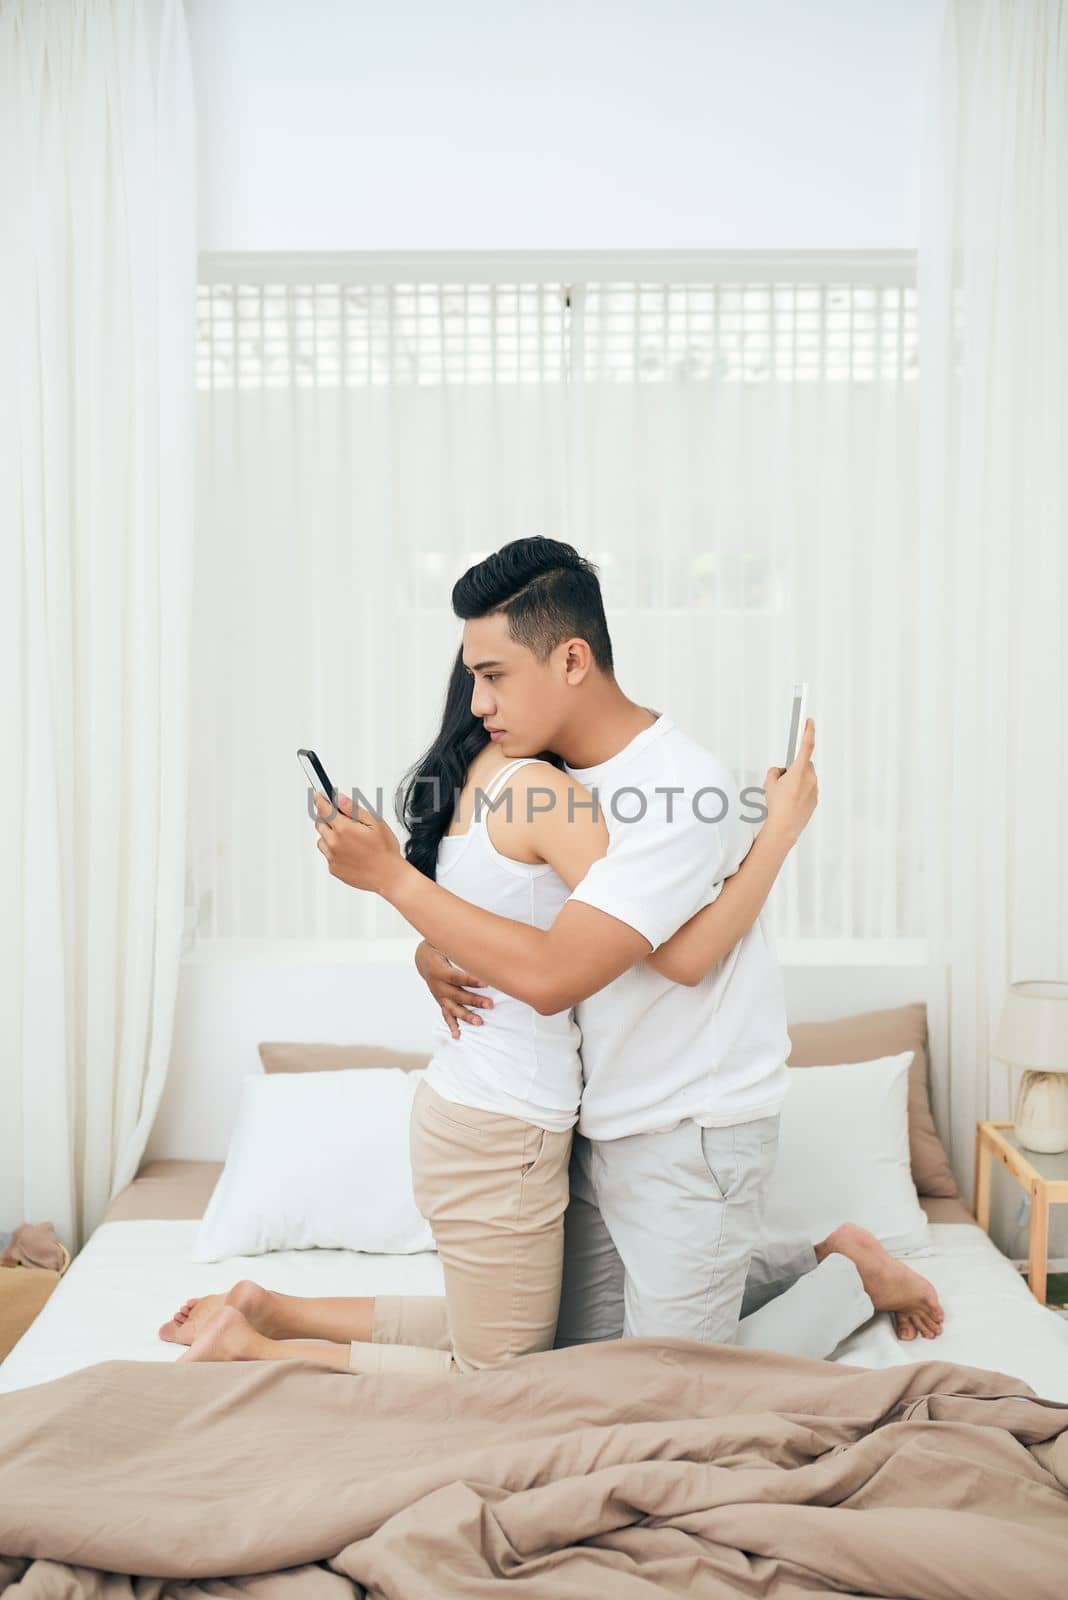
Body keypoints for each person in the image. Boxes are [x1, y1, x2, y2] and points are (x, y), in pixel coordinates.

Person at [162, 541, 943, 1368]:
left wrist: (778, 833)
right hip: (601, 1120)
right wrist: (434, 949)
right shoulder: (553, 776)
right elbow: (521, 909)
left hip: (690, 1123)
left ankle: (849, 1282)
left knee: (669, 1392)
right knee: (573, 1358)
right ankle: (827, 1260)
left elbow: (634, 965)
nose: (478, 700)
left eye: (495, 675)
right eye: (473, 675)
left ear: (572, 659)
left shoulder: (677, 787)